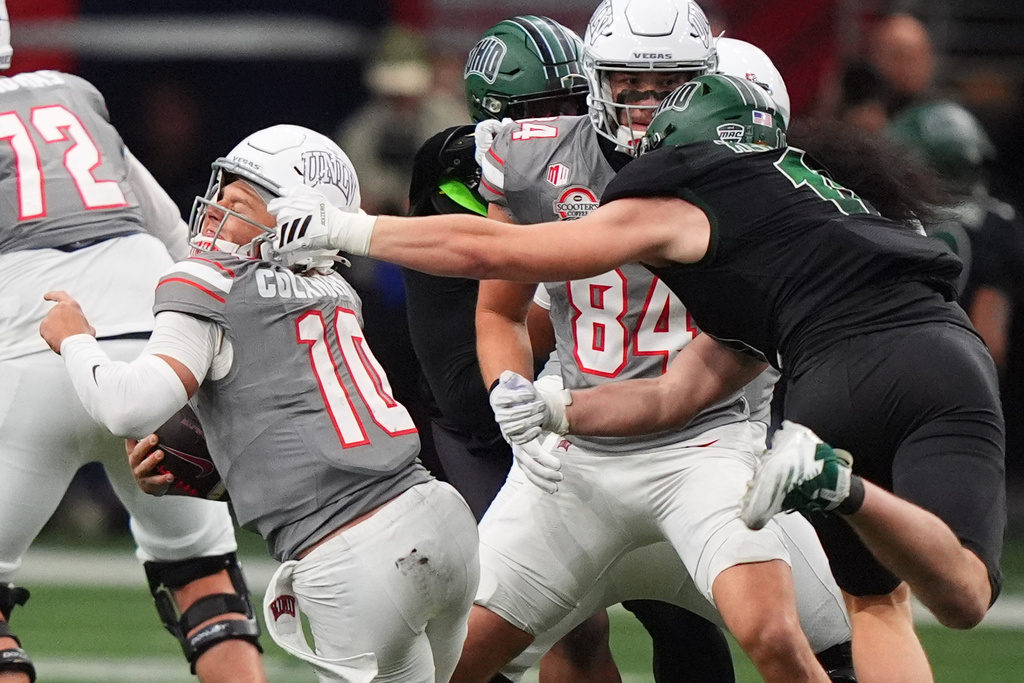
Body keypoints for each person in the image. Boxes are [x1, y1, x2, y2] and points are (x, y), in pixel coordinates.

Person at [267, 72, 1006, 680]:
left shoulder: (687, 202)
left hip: (816, 382)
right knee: (953, 594)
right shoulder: (816, 214)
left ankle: (841, 486)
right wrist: (559, 410)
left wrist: (350, 227)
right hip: (948, 353)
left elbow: (497, 252)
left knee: (857, 609)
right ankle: (846, 490)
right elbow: (676, 392)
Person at [459, 3, 851, 681]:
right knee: (447, 659)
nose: (644, 104)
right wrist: (510, 391)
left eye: (666, 85)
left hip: (708, 446)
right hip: (576, 455)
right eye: (628, 84)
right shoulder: (535, 156)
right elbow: (499, 307)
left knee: (804, 641)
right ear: (594, 80)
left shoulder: (750, 170)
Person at [39, 125, 480, 683]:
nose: (216, 214)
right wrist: (211, 474)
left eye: (240, 203)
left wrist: (75, 340)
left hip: (352, 555)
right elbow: (301, 427)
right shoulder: (337, 291)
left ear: (299, 219)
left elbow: (129, 408)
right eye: (221, 195)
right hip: (440, 519)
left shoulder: (210, 281)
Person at [405, 15, 744, 683]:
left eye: (573, 103)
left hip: (596, 411)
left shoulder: (625, 159)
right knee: (558, 623)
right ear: (494, 119)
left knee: (683, 614)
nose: (563, 123)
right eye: (542, 111)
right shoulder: (471, 173)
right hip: (490, 422)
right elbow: (481, 363)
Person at [0, 5, 265, 681]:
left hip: (36, 349)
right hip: (155, 339)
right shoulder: (71, 95)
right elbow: (172, 231)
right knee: (204, 576)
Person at [889, 100, 1023, 373]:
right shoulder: (995, 223)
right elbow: (989, 343)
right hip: (959, 375)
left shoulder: (886, 218)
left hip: (901, 371)